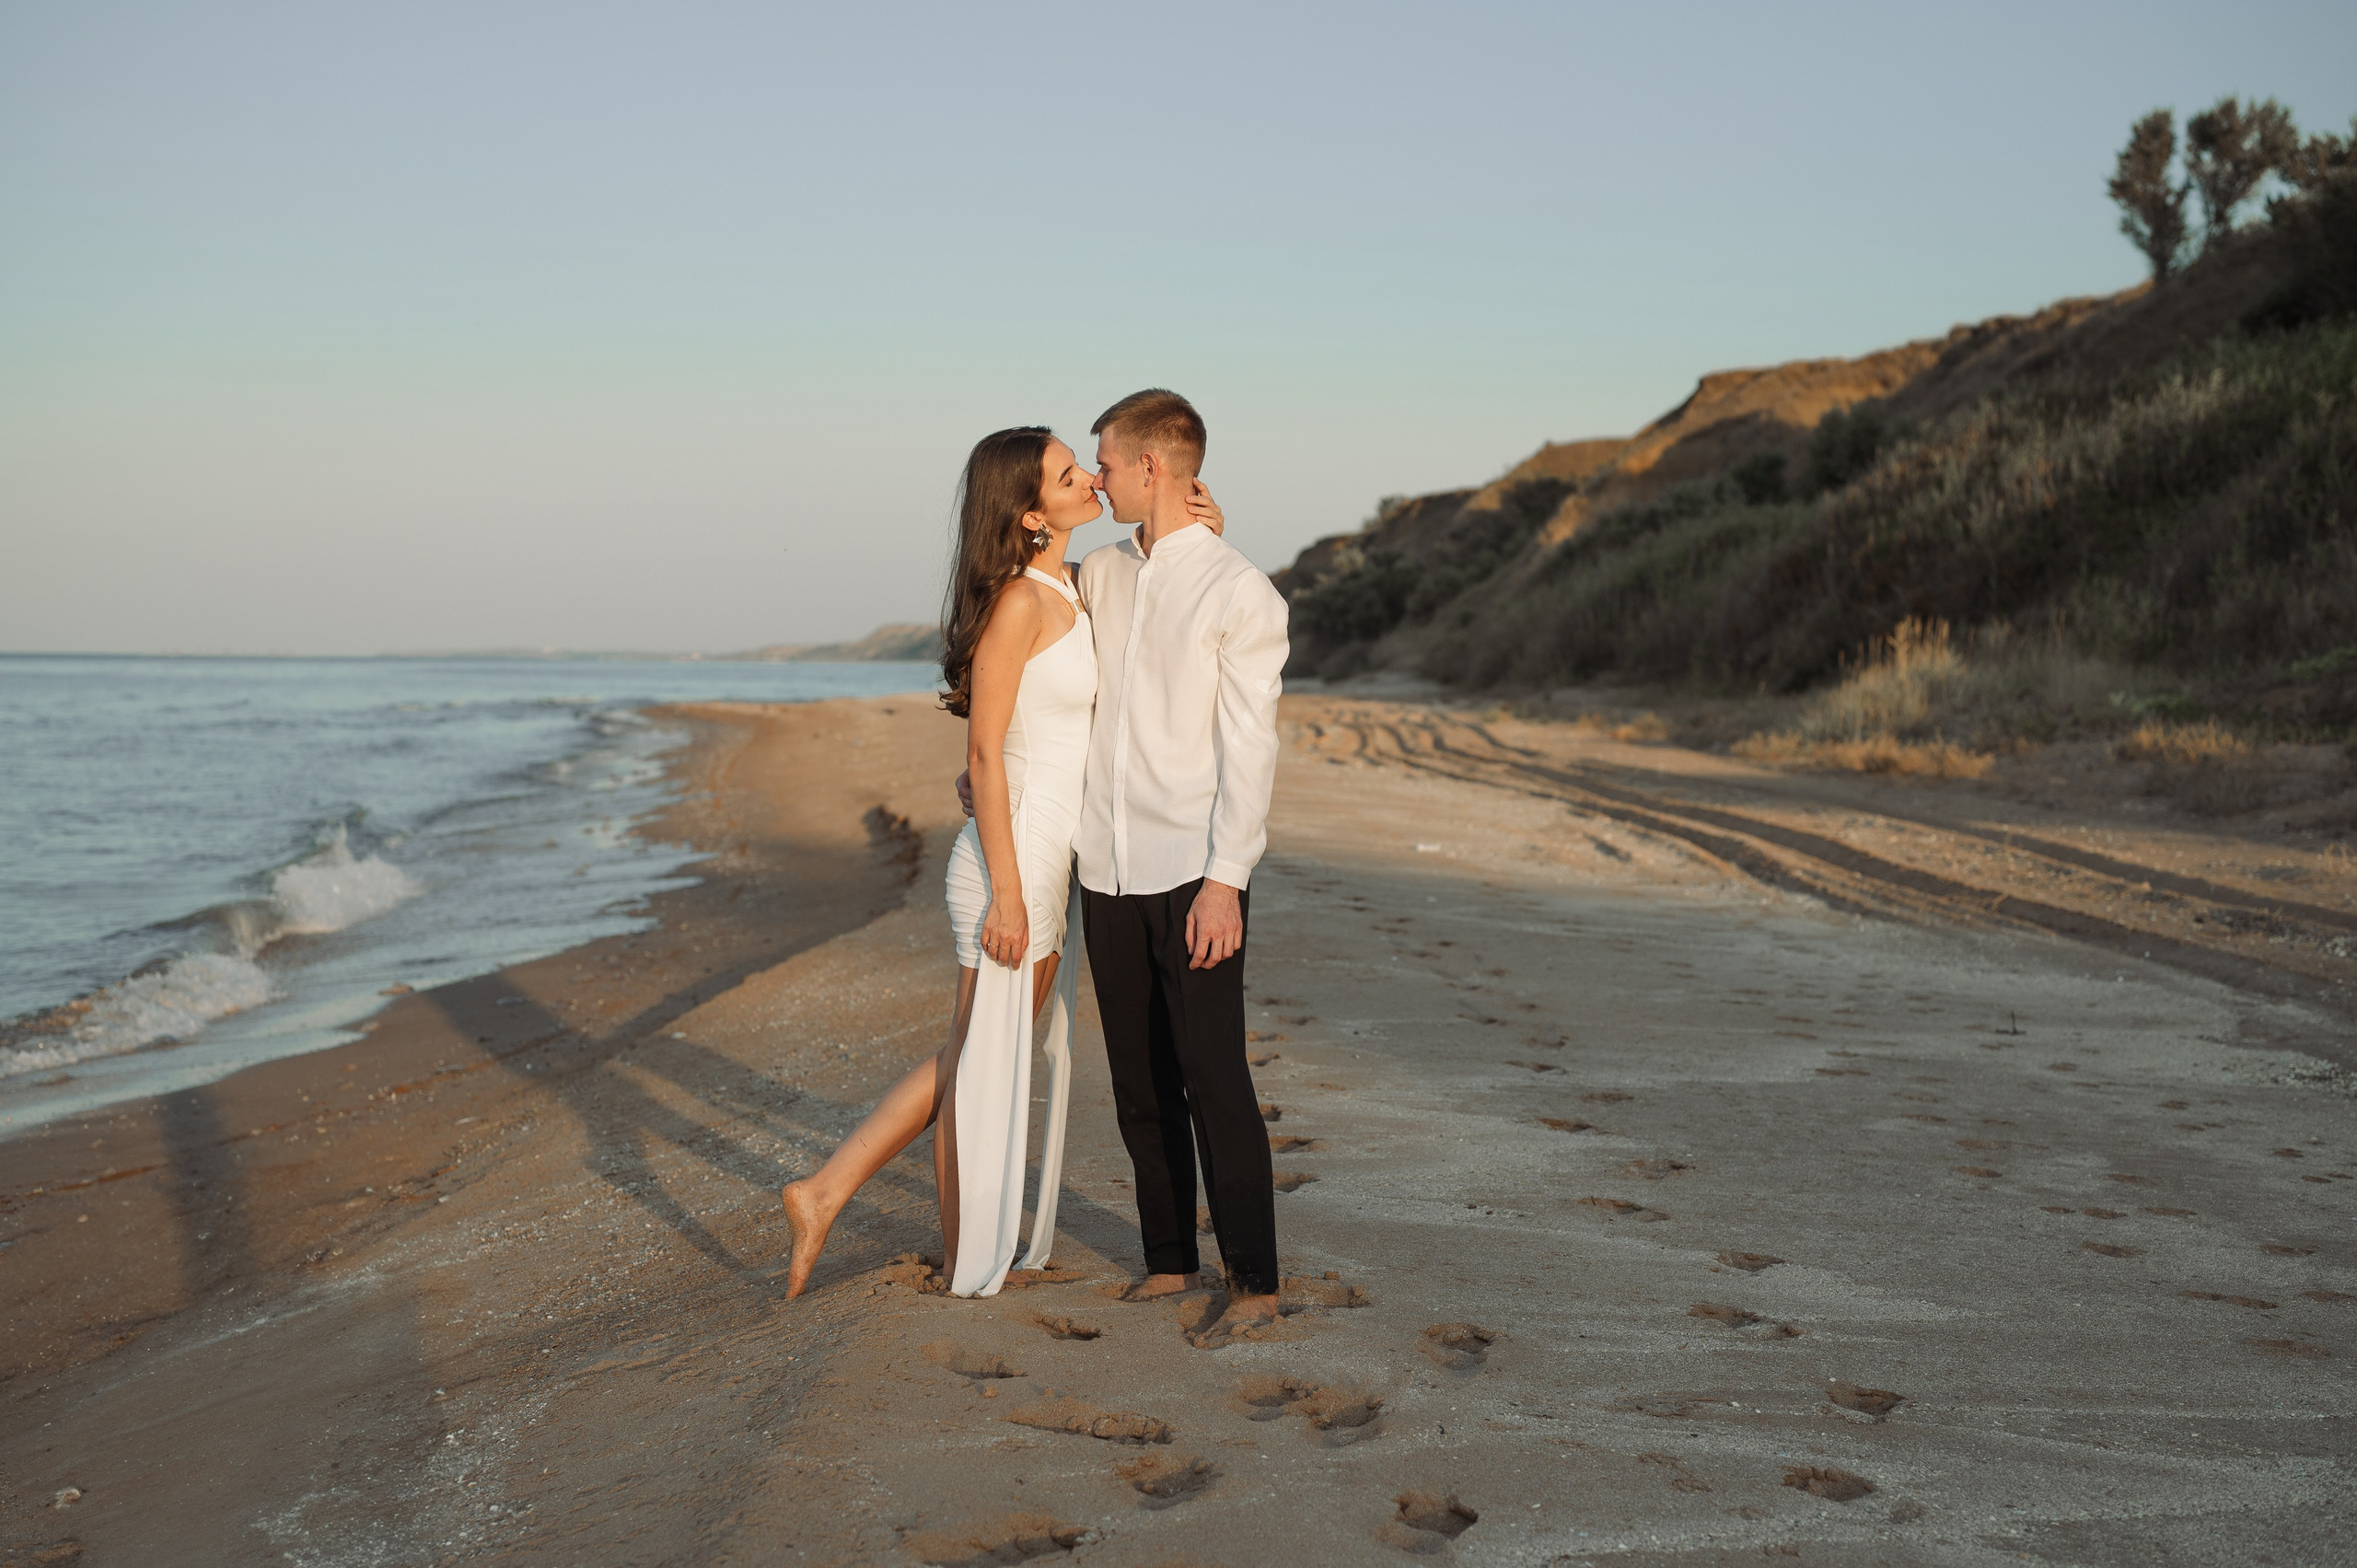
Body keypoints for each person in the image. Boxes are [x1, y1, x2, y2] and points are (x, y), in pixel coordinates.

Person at [778, 424, 1221, 1299]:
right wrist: (1010, 893)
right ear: (1028, 513)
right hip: (1009, 865)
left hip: (1048, 854)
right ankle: (930, 1243)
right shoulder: (1022, 602)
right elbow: (984, 751)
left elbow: (1157, 611)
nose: (1091, 478)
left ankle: (828, 1191)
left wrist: (1206, 525)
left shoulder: (1079, 586)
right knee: (979, 1055)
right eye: (1068, 475)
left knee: (973, 1052)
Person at [961, 389, 1289, 1340]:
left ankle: (1256, 1278)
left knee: (1213, 1074)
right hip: (1102, 865)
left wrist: (1228, 877)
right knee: (1139, 1079)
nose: (1095, 478)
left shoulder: (1238, 590)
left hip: (1195, 869)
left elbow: (1251, 747)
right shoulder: (1099, 572)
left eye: (1104, 462)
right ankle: (1168, 1259)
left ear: (1152, 467)